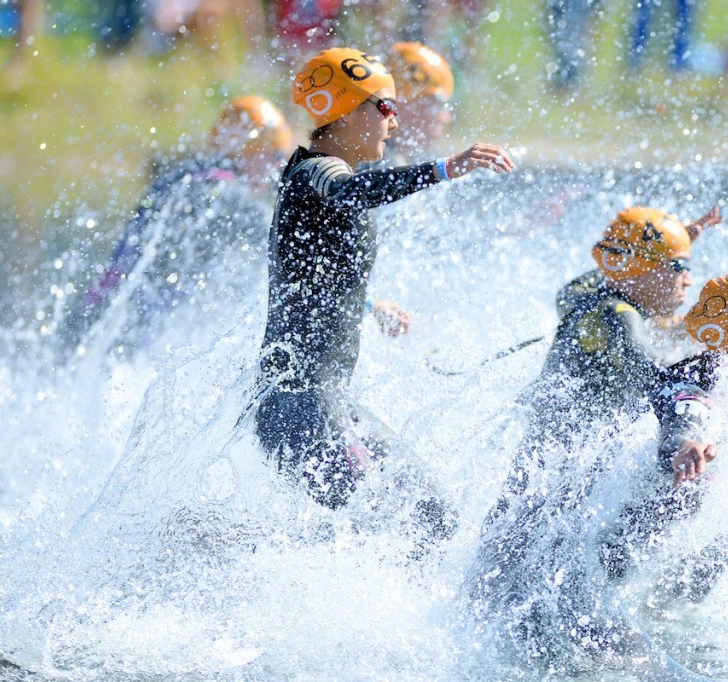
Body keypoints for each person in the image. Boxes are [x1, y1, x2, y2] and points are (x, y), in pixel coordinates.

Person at [465, 273, 728, 677]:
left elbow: (721, 418)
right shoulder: (690, 390)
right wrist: (684, 446)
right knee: (653, 671)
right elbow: (686, 415)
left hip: (549, 567)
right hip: (548, 578)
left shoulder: (708, 381)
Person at [254, 47, 514, 524]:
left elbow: (306, 270)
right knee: (390, 524)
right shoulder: (316, 172)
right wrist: (444, 168)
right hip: (298, 408)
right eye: (385, 107)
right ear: (344, 113)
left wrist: (368, 302)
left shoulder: (319, 180)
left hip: (326, 403)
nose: (394, 122)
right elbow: (352, 192)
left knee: (434, 516)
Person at [487, 205, 721, 522]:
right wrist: (680, 442)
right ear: (642, 268)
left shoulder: (585, 296)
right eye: (678, 266)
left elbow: (611, 275)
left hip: (530, 493)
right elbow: (660, 381)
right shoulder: (617, 319)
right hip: (563, 503)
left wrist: (674, 245)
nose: (688, 280)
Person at [59, 95, 294, 355]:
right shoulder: (226, 196)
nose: (278, 168)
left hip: (101, 304)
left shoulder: (183, 176)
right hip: (140, 319)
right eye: (274, 156)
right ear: (249, 151)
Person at [383, 41, 455, 165]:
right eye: (439, 104)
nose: (446, 118)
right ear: (401, 102)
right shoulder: (377, 166)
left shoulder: (397, 161)